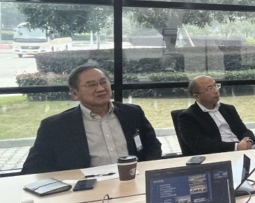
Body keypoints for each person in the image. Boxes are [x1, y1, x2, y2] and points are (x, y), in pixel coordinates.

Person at [22, 65, 162, 174]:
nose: (100, 89)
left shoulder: (132, 113)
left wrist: (145, 172)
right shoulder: (55, 126)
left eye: (103, 82)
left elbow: (153, 147)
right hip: (85, 189)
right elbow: (34, 168)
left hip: (132, 179)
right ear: (75, 93)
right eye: (91, 85)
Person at [177, 76, 255, 154]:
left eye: (215, 86)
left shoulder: (228, 109)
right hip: (219, 155)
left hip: (242, 150)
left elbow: (244, 131)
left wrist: (249, 141)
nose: (216, 91)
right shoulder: (187, 117)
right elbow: (201, 145)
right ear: (197, 96)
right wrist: (236, 147)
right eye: (209, 89)